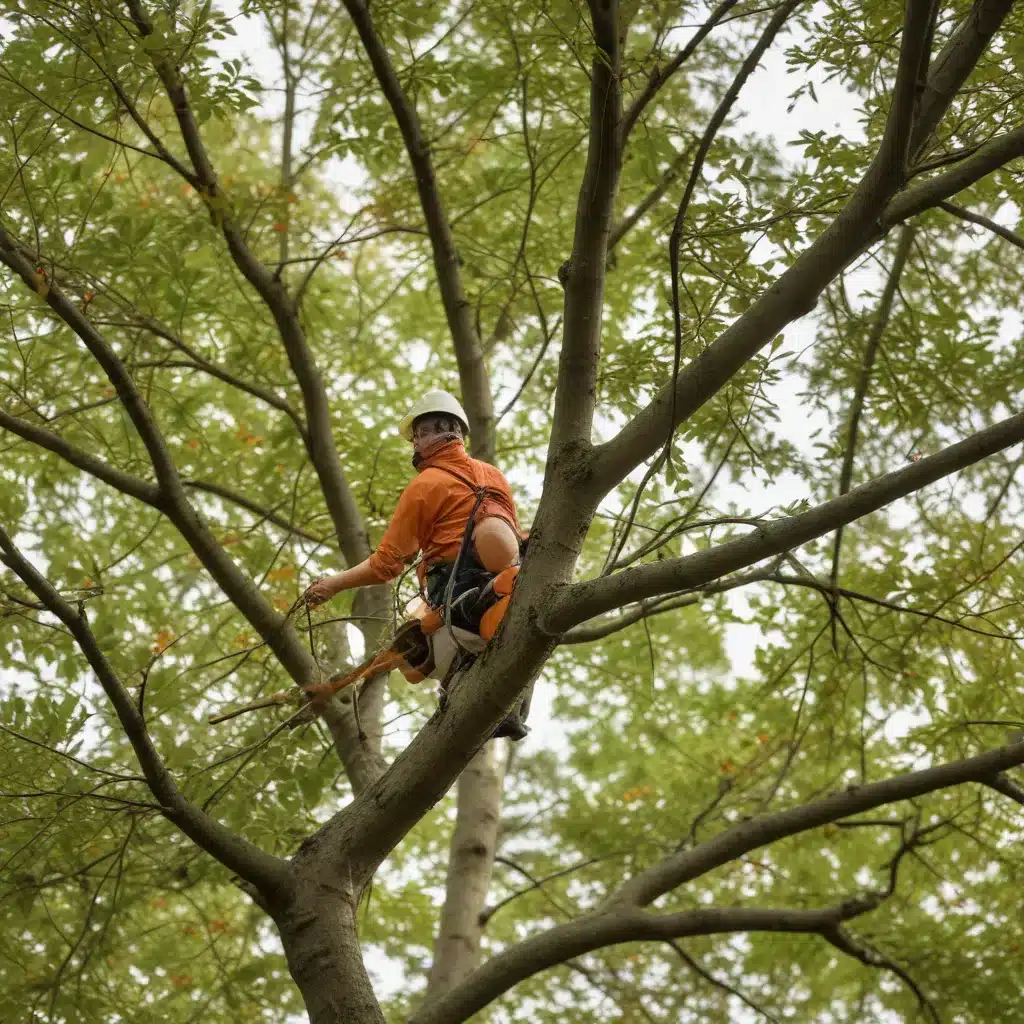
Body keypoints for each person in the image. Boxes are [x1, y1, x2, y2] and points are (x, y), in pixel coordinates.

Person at [304, 390, 529, 740]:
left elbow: (387, 564)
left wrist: (334, 583)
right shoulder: (493, 475)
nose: (415, 445)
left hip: (455, 591)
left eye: (417, 436)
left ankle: (463, 684)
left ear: (430, 433)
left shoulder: (425, 486)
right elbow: (509, 532)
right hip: (507, 584)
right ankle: (507, 699)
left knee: (439, 642)